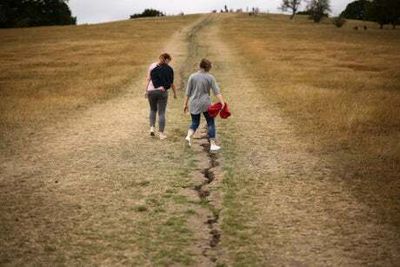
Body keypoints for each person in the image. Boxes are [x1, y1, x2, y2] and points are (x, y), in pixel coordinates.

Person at [183, 58, 225, 152]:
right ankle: (213, 144)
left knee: (195, 122)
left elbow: (187, 93)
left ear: (200, 66)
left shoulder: (192, 76)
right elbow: (216, 92)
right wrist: (222, 102)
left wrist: (185, 104)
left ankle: (188, 137)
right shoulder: (210, 77)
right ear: (208, 67)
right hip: (205, 103)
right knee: (210, 122)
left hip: (193, 102)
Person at [145, 53, 177, 140]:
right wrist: (174, 93)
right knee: (161, 113)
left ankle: (152, 128)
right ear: (166, 60)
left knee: (152, 109)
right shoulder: (169, 69)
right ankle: (161, 134)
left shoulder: (152, 66)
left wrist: (146, 90)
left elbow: (148, 79)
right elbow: (171, 83)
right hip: (162, 91)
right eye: (169, 61)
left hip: (151, 91)